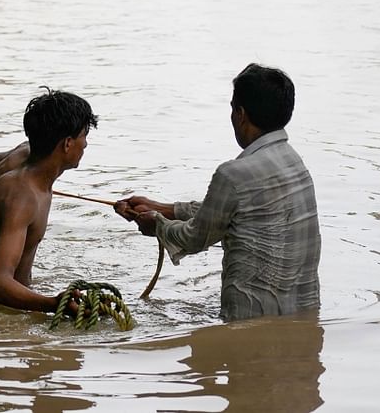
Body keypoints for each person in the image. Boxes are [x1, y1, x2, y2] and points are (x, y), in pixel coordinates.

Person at [114, 63, 320, 322]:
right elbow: (238, 211)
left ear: (240, 114)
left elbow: (194, 237)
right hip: (305, 313)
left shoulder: (233, 173)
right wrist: (167, 209)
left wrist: (156, 223)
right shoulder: (294, 162)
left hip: (249, 318)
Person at [0, 89, 99, 312]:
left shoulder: (22, 153)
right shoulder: (23, 196)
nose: (85, 144)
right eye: (84, 136)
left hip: (1, 295)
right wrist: (54, 304)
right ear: (67, 144)